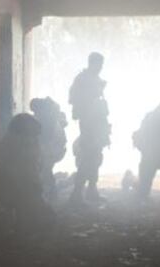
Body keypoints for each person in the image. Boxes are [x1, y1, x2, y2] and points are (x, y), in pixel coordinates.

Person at [0, 113, 54, 235]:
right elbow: (10, 169)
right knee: (28, 214)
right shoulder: (11, 143)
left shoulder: (30, 141)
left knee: (46, 219)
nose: (33, 137)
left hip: (27, 185)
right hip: (14, 185)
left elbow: (35, 165)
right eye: (31, 134)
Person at [68, 52, 110, 205]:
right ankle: (77, 193)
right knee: (87, 158)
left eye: (101, 65)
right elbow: (75, 101)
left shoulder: (93, 79)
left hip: (98, 124)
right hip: (89, 124)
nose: (100, 68)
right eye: (98, 64)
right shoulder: (83, 79)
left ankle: (91, 190)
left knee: (96, 158)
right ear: (91, 63)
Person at [29, 97, 68, 202]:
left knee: (45, 169)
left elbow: (46, 139)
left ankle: (50, 193)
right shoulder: (46, 115)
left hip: (53, 148)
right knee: (44, 169)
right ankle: (49, 192)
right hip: (55, 147)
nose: (35, 113)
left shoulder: (47, 119)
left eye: (35, 111)